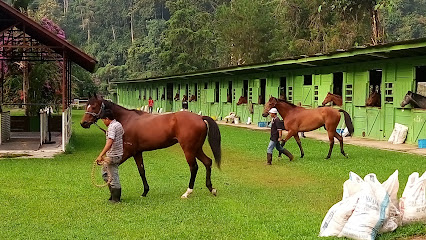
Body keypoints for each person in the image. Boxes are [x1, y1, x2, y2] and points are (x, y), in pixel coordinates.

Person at [96, 109, 124, 203]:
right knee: (105, 174)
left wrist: (101, 155)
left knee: (112, 176)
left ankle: (116, 199)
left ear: (107, 119)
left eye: (103, 120)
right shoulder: (118, 124)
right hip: (117, 153)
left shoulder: (112, 127)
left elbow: (110, 141)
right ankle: (113, 195)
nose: (103, 122)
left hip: (113, 155)